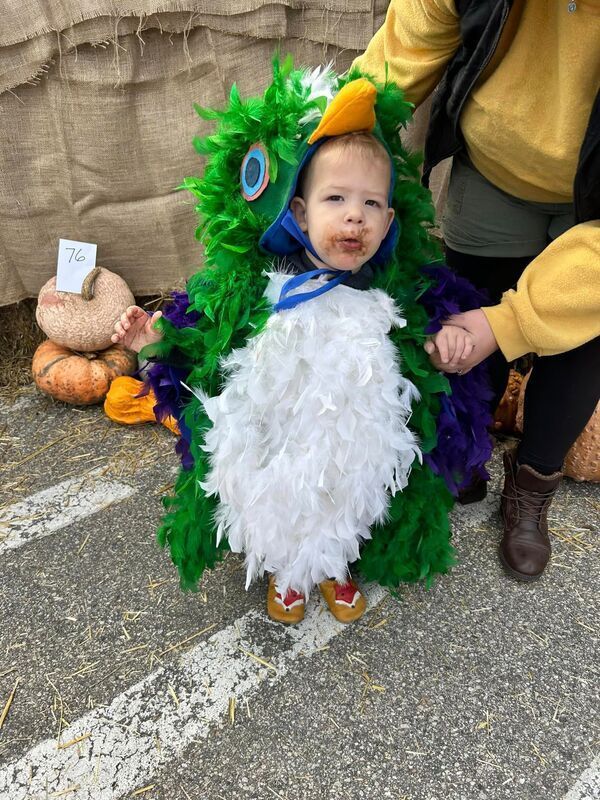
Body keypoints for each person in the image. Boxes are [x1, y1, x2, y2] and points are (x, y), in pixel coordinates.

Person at [113, 128, 474, 625]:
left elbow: (420, 362)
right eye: (336, 198)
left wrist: (444, 344)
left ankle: (334, 562)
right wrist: (155, 343)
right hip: (279, 433)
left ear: (388, 221)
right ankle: (286, 570)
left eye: (371, 203)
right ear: (301, 213)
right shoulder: (265, 287)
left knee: (345, 490)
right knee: (281, 489)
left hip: (350, 436)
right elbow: (209, 358)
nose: (355, 215)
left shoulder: (392, 295)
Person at [353, 0, 600, 581]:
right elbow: (398, 57)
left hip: (594, 198)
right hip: (496, 168)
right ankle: (462, 452)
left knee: (581, 341)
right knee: (464, 312)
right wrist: (319, 133)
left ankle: (533, 482)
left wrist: (508, 324)